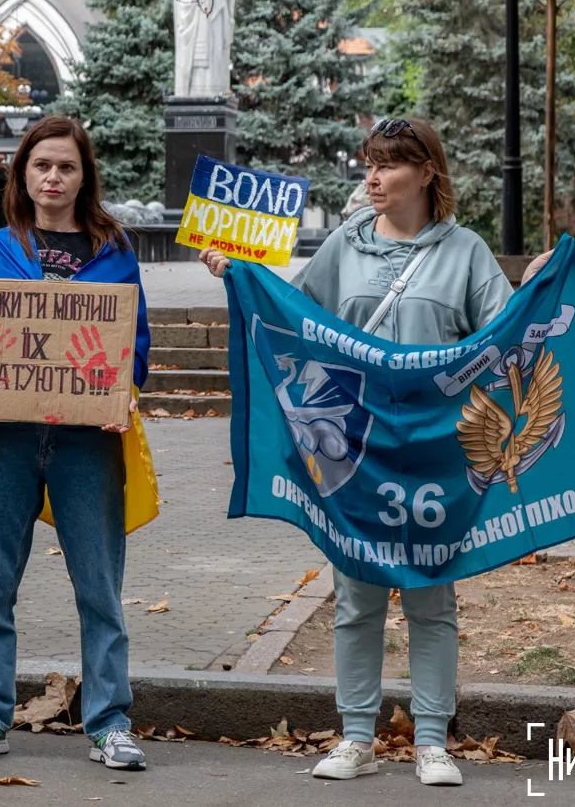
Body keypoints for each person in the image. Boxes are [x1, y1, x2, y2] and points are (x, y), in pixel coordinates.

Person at [202, 117, 551, 787]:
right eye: (370, 162)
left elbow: (506, 335)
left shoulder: (465, 251)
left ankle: (430, 741)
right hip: (356, 454)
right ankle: (356, 735)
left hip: (435, 453)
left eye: (389, 164)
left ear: (426, 173)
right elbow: (291, 321)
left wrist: (538, 280)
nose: (373, 175)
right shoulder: (344, 245)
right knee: (357, 596)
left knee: (431, 600)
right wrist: (237, 276)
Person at [0, 116, 155, 771]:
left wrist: (121, 393)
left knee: (100, 590)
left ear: (84, 177)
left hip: (87, 440)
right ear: (22, 175)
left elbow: (132, 341)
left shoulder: (114, 249)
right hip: (5, 436)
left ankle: (110, 721)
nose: (52, 177)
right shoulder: (1, 245)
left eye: (66, 167)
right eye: (41, 166)